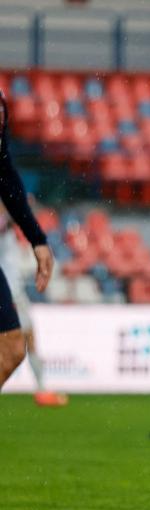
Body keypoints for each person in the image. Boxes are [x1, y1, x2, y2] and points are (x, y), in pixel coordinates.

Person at [0, 89, 53, 391]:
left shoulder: (1, 105)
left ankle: (42, 385)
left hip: (4, 254)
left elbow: (5, 175)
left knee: (12, 348)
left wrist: (37, 239)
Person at [0, 203, 67, 405]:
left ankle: (41, 388)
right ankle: (41, 388)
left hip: (14, 289)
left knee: (25, 342)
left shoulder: (8, 225)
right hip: (8, 291)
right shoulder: (5, 223)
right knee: (22, 343)